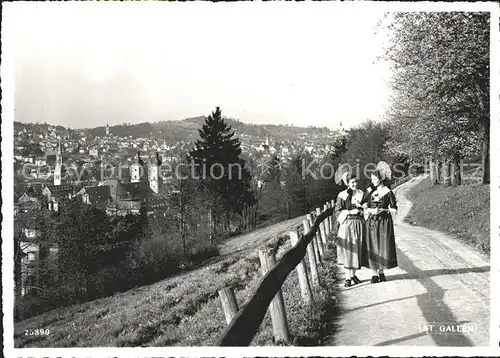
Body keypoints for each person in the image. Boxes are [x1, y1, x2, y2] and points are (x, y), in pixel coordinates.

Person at [361, 170, 398, 283]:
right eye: (372, 179)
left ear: (381, 179)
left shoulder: (388, 192)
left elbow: (394, 208)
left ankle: (381, 272)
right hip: (372, 221)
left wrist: (383, 210)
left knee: (383, 246)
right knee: (372, 246)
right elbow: (363, 204)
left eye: (375, 179)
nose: (373, 181)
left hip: (384, 222)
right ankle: (374, 274)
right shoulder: (369, 191)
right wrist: (370, 209)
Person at [335, 172, 366, 287]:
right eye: (352, 182)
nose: (355, 184)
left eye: (356, 181)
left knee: (356, 250)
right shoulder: (342, 195)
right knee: (348, 250)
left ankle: (353, 275)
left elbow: (366, 208)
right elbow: (337, 212)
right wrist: (349, 212)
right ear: (347, 183)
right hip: (347, 225)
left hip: (358, 224)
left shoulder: (361, 194)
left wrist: (362, 208)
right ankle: (347, 278)